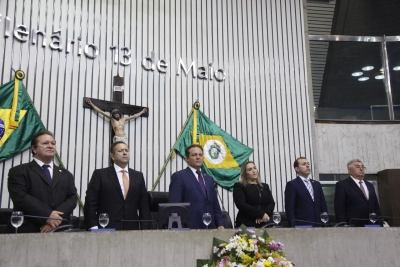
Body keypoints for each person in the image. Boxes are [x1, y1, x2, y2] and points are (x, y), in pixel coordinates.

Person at [7, 130, 77, 233]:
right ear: (34, 149)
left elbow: (72, 198)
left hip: (60, 229)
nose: (50, 146)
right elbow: (20, 197)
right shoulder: (18, 171)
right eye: (45, 143)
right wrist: (47, 215)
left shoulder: (66, 174)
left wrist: (55, 219)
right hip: (27, 229)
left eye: (53, 143)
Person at [84, 141, 151, 230]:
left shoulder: (138, 176)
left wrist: (145, 229)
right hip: (106, 228)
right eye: (120, 151)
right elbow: (90, 203)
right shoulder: (100, 175)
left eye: (126, 150)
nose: (124, 153)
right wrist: (93, 227)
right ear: (112, 156)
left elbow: (144, 206)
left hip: (132, 229)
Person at [169, 144, 224, 229]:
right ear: (186, 159)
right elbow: (175, 206)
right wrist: (180, 228)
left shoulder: (209, 179)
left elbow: (215, 205)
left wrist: (220, 224)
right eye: (194, 155)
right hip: (190, 228)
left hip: (211, 227)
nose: (198, 157)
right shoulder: (179, 177)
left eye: (200, 155)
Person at [334, 159, 382, 227]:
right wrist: (343, 225)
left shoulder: (369, 185)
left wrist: (380, 223)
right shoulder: (342, 185)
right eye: (357, 167)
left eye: (363, 167)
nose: (361, 169)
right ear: (349, 171)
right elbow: (339, 208)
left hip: (372, 225)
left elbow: (376, 206)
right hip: (353, 225)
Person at [285, 157, 328, 227]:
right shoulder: (292, 184)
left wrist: (326, 223)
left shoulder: (317, 184)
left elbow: (323, 206)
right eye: (303, 164)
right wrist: (293, 226)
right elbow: (290, 208)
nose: (307, 166)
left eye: (308, 164)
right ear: (297, 169)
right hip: (302, 225)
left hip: (319, 224)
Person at [233, 161, 275, 228]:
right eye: (250, 169)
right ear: (245, 173)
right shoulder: (239, 186)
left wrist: (265, 214)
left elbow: (271, 203)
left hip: (264, 222)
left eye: (254, 168)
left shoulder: (265, 186)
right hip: (246, 223)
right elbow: (241, 205)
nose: (254, 171)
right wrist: (260, 214)